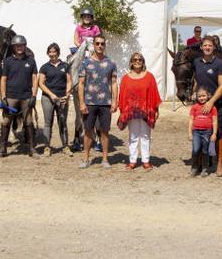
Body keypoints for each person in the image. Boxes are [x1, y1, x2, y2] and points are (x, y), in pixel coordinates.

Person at [77, 34, 118, 168]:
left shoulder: (111, 63)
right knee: (88, 131)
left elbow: (113, 83)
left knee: (105, 131)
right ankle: (86, 159)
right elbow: (81, 84)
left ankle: (105, 159)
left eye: (102, 44)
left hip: (105, 103)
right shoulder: (86, 63)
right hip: (89, 103)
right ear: (93, 45)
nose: (100, 46)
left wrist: (114, 101)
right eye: (97, 43)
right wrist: (82, 103)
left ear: (105, 45)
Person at [117, 52, 161, 171]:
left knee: (146, 136)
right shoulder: (126, 78)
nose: (137, 61)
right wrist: (122, 111)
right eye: (135, 59)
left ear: (143, 62)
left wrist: (156, 110)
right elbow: (122, 96)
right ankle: (132, 161)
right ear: (131, 62)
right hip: (131, 111)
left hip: (146, 111)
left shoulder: (149, 77)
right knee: (133, 136)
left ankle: (146, 161)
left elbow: (154, 94)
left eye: (140, 59)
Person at [0, 35, 39, 158]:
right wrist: (3, 97)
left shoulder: (31, 61)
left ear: (25, 46)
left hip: (26, 96)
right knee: (6, 121)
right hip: (11, 96)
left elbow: (35, 78)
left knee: (29, 122)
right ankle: (3, 148)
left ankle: (32, 148)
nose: (19, 48)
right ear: (13, 47)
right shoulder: (8, 61)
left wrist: (34, 95)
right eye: (17, 46)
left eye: (21, 45)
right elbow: (3, 80)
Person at [193, 36, 222, 170]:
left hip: (216, 104)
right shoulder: (197, 62)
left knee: (217, 132)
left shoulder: (219, 64)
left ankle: (219, 164)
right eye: (205, 45)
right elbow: (197, 81)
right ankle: (202, 162)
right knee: (200, 131)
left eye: (210, 46)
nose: (207, 48)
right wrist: (194, 92)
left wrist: (211, 101)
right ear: (201, 47)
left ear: (213, 48)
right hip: (201, 104)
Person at [39, 42, 69, 156]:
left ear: (58, 52)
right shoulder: (44, 67)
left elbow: (69, 81)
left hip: (62, 98)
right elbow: (40, 83)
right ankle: (47, 147)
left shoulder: (65, 66)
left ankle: (65, 146)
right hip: (48, 98)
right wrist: (51, 95)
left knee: (62, 122)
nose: (52, 54)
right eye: (50, 52)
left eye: (54, 51)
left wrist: (67, 94)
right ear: (48, 53)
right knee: (48, 123)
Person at [188, 88, 217, 177]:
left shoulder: (212, 107)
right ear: (196, 97)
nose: (201, 98)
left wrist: (214, 133)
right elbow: (191, 120)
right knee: (195, 150)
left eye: (203, 96)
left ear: (208, 96)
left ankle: (205, 168)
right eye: (199, 96)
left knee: (205, 150)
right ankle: (194, 167)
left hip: (207, 132)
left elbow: (215, 121)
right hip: (196, 131)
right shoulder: (194, 107)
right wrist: (190, 133)